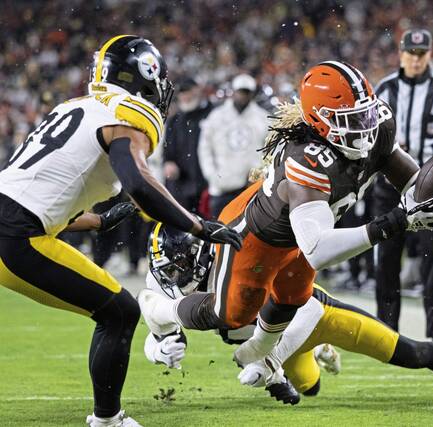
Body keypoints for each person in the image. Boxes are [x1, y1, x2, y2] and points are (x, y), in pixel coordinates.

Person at [138, 60, 433, 375]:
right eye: (351, 120)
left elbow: (404, 172)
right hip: (261, 236)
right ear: (320, 121)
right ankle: (159, 310)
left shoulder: (376, 127)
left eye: (364, 115)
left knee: (293, 297)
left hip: (304, 232)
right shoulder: (305, 157)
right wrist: (396, 221)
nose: (365, 128)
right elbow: (318, 250)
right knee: (233, 314)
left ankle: (259, 354)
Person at [0, 35, 242, 427]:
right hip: (18, 236)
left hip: (13, 223)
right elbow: (140, 184)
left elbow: (26, 192)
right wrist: (198, 225)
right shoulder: (127, 114)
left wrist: (95, 220)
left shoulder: (74, 107)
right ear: (147, 76)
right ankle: (107, 420)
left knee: (115, 310)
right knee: (118, 312)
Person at [142, 224, 433, 404]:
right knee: (310, 391)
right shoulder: (168, 279)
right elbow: (152, 322)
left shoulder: (239, 265)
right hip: (269, 343)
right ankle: (311, 359)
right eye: (168, 271)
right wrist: (159, 350)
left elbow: (299, 307)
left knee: (412, 354)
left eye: (178, 269)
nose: (174, 279)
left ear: (198, 257)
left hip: (310, 317)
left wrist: (272, 358)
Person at [373, 29, 433, 341]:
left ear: (429, 54)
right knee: (387, 257)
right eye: (411, 54)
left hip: (431, 189)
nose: (416, 60)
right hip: (390, 185)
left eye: (421, 54)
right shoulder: (383, 89)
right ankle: (386, 332)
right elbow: (367, 138)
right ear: (401, 54)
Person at [198, 74, 269, 219]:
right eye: (240, 91)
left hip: (251, 187)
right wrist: (211, 175)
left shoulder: (263, 118)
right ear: (233, 92)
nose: (243, 96)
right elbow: (204, 148)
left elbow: (270, 151)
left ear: (252, 93)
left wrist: (261, 174)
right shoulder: (217, 116)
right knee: (219, 231)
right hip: (222, 186)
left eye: (246, 92)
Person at [163, 77, 213, 214]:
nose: (184, 96)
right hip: (182, 185)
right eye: (181, 93)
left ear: (197, 91)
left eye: (187, 91)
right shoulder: (175, 120)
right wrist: (168, 163)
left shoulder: (212, 114)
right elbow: (167, 151)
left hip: (208, 184)